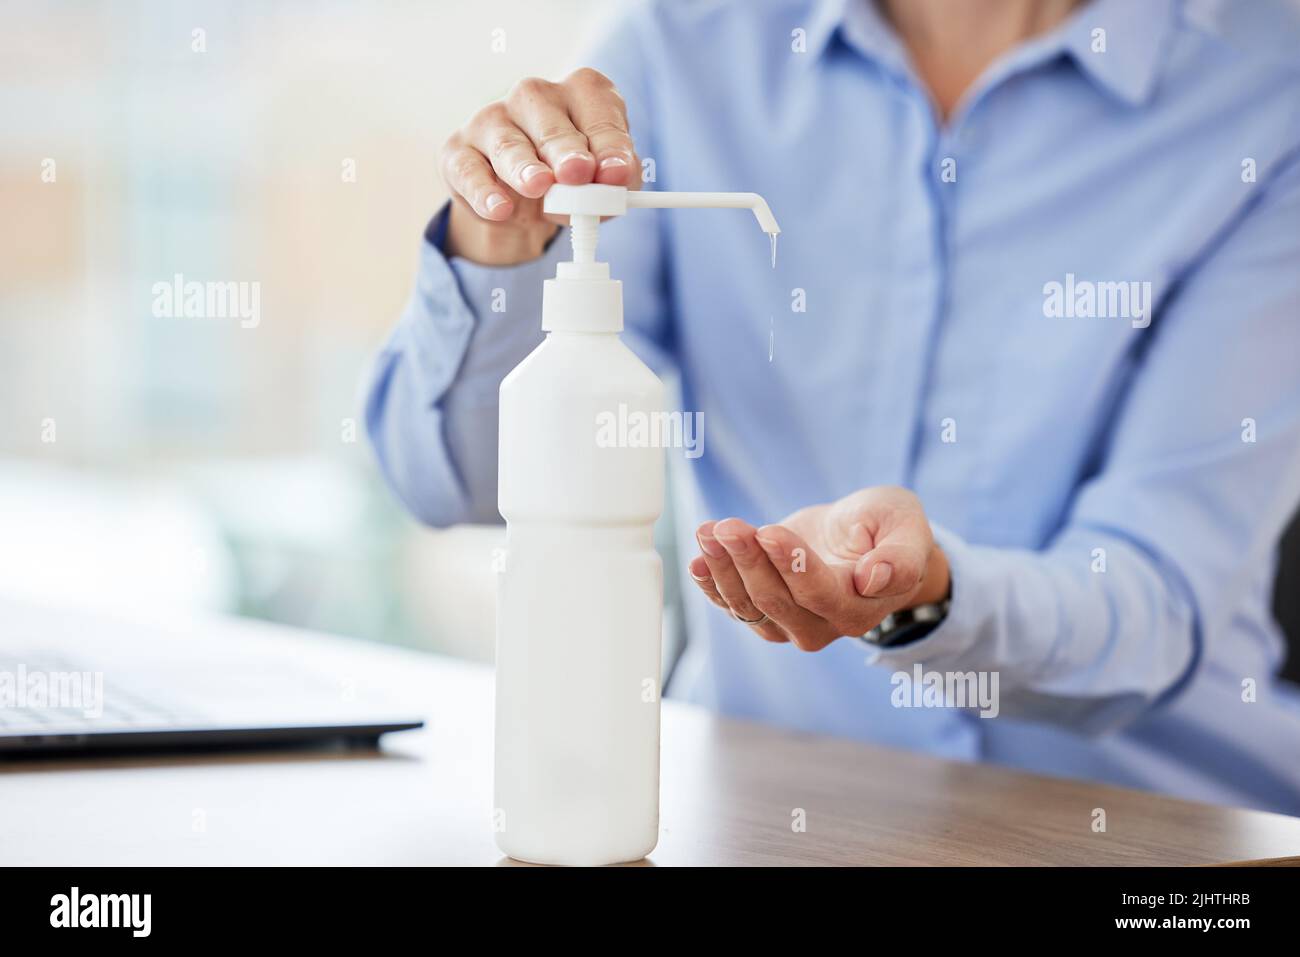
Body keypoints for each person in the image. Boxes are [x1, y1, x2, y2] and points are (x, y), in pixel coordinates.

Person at [366, 0, 1300, 815]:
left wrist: (933, 598)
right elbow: (458, 485)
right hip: (764, 817)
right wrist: (501, 255)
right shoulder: (683, 47)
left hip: (1167, 836)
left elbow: (1159, 597)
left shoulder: (1267, 90)